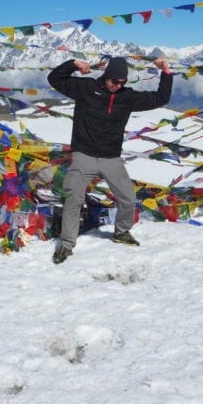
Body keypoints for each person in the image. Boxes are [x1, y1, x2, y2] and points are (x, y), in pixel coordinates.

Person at [47, 55, 173, 264]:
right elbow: (55, 79)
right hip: (84, 155)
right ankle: (66, 244)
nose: (117, 86)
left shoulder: (127, 97)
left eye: (122, 82)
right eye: (114, 81)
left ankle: (122, 231)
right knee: (74, 198)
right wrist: (73, 65)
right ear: (106, 76)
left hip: (111, 158)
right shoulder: (85, 88)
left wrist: (166, 73)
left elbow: (161, 98)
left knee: (128, 198)